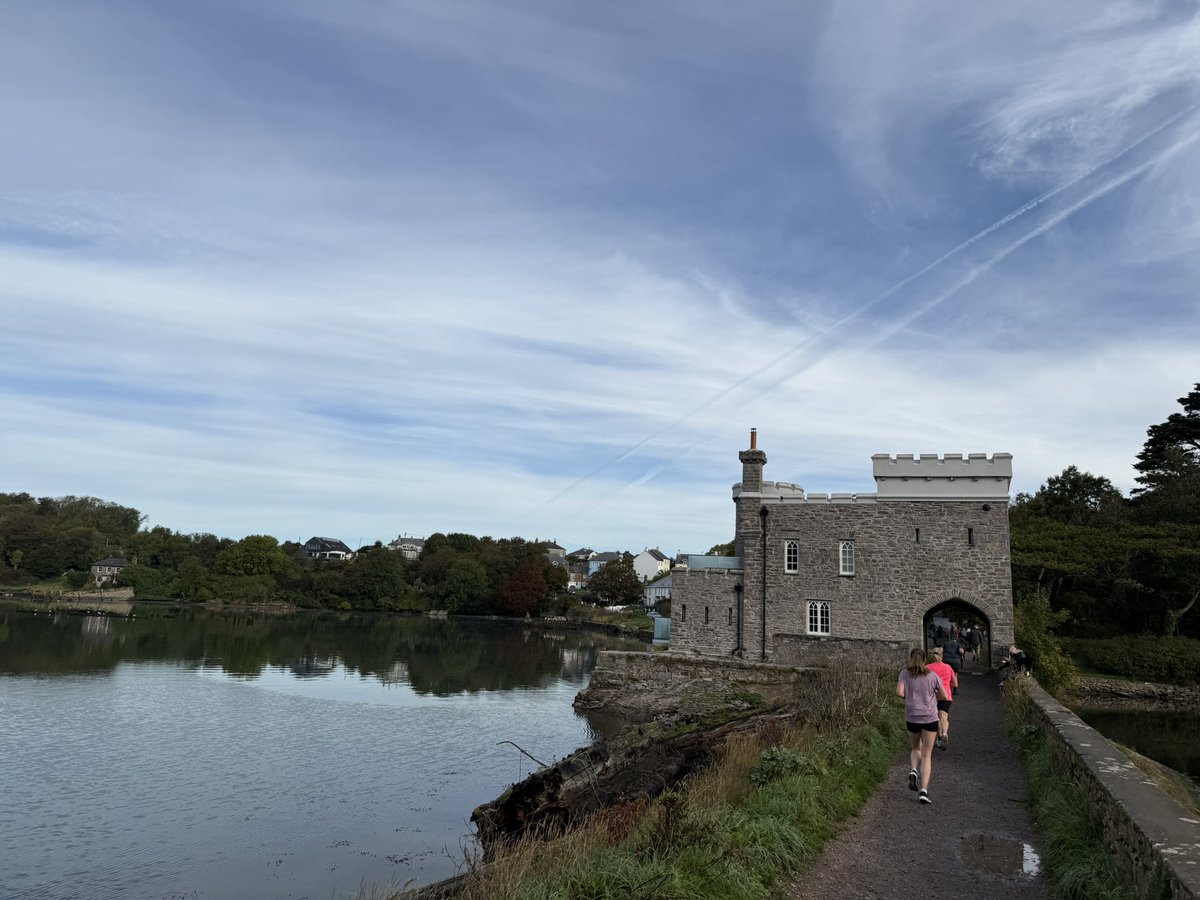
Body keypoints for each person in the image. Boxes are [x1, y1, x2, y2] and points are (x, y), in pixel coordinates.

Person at [897, 647, 950, 804]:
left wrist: (910, 697)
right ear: (925, 660)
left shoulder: (905, 674)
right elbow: (944, 696)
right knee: (927, 755)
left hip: (912, 716)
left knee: (915, 748)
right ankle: (924, 791)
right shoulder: (932, 676)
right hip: (929, 717)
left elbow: (899, 692)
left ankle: (913, 770)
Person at [926, 647, 958, 750]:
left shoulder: (927, 668)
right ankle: (945, 734)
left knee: (937, 718)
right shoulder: (948, 667)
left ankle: (939, 739)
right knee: (944, 716)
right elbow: (955, 683)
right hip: (946, 695)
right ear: (942, 656)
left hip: (933, 696)